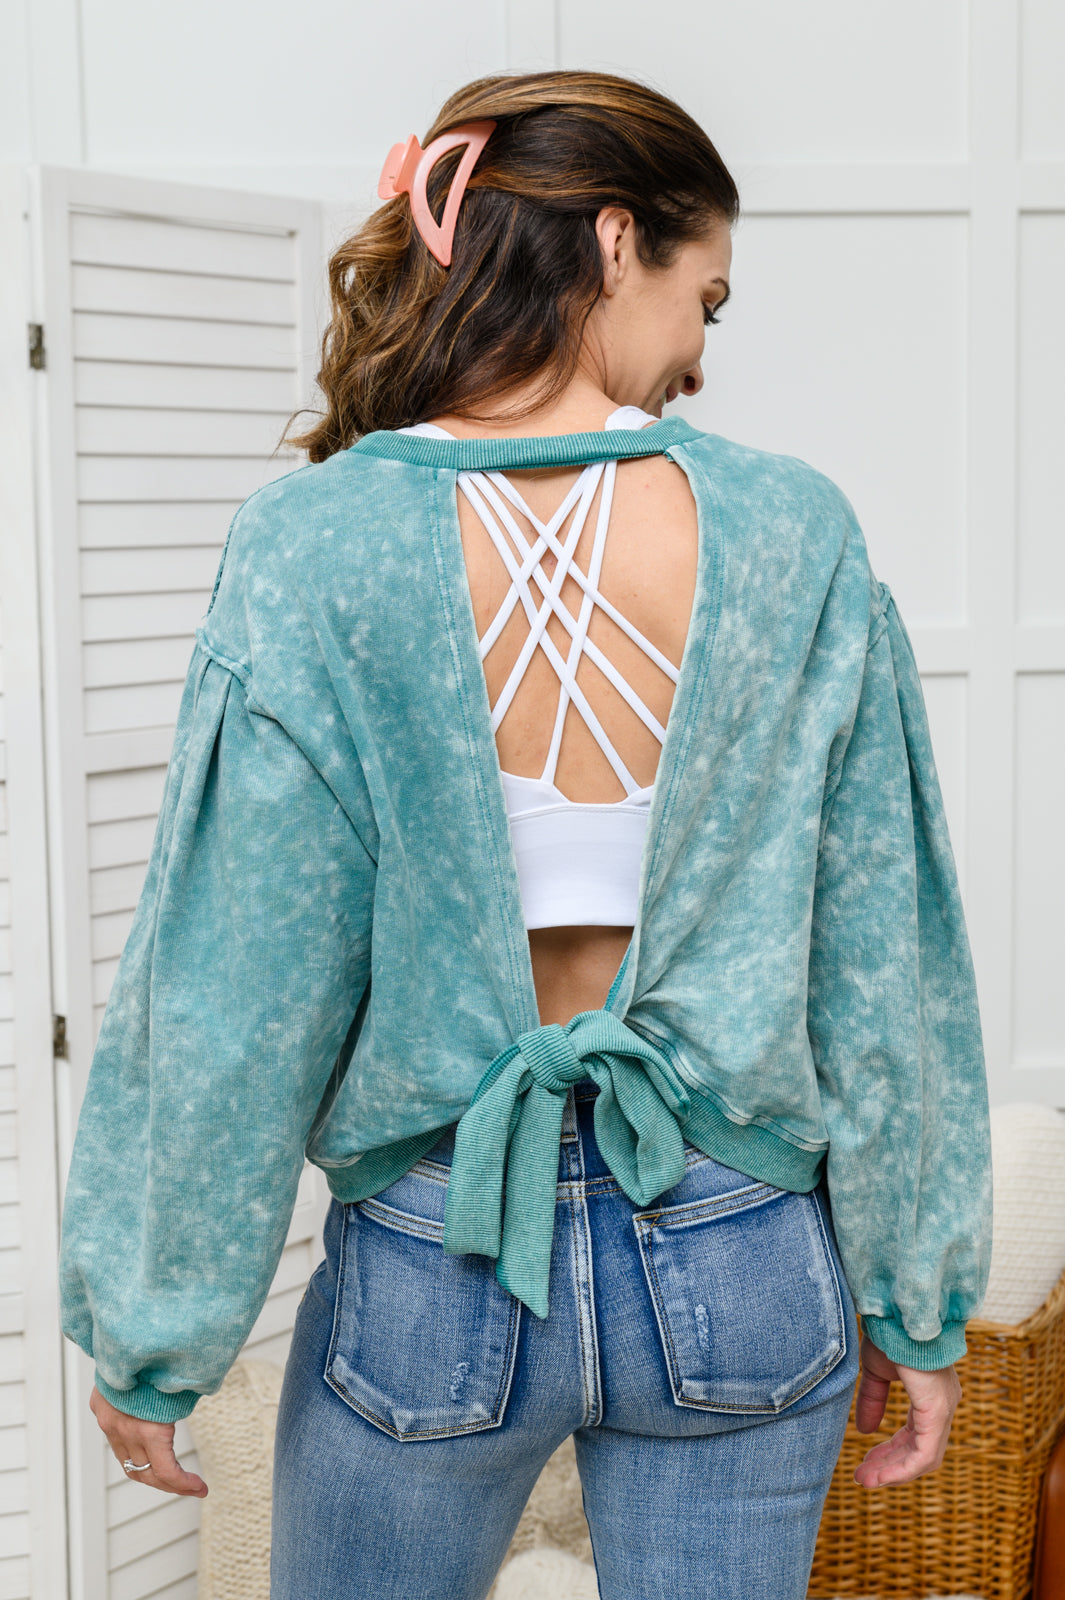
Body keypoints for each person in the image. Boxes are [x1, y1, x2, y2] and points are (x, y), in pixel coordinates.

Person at [58, 69, 993, 1600]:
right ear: (615, 242)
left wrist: (159, 1332)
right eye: (704, 297)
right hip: (743, 1248)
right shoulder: (793, 530)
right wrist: (912, 1297)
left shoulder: (312, 544)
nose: (699, 351)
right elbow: (881, 960)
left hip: (436, 1255)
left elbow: (235, 981)